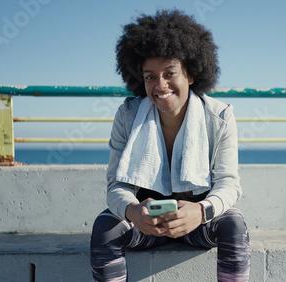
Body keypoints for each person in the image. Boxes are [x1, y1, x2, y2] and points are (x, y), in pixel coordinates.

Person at [89, 9, 251, 282]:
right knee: (105, 226)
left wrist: (201, 211)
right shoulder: (128, 116)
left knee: (233, 224)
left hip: (198, 222)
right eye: (150, 76)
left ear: (190, 74)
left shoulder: (220, 117)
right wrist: (133, 212)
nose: (160, 85)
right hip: (146, 225)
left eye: (170, 73)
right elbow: (116, 186)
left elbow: (229, 184)